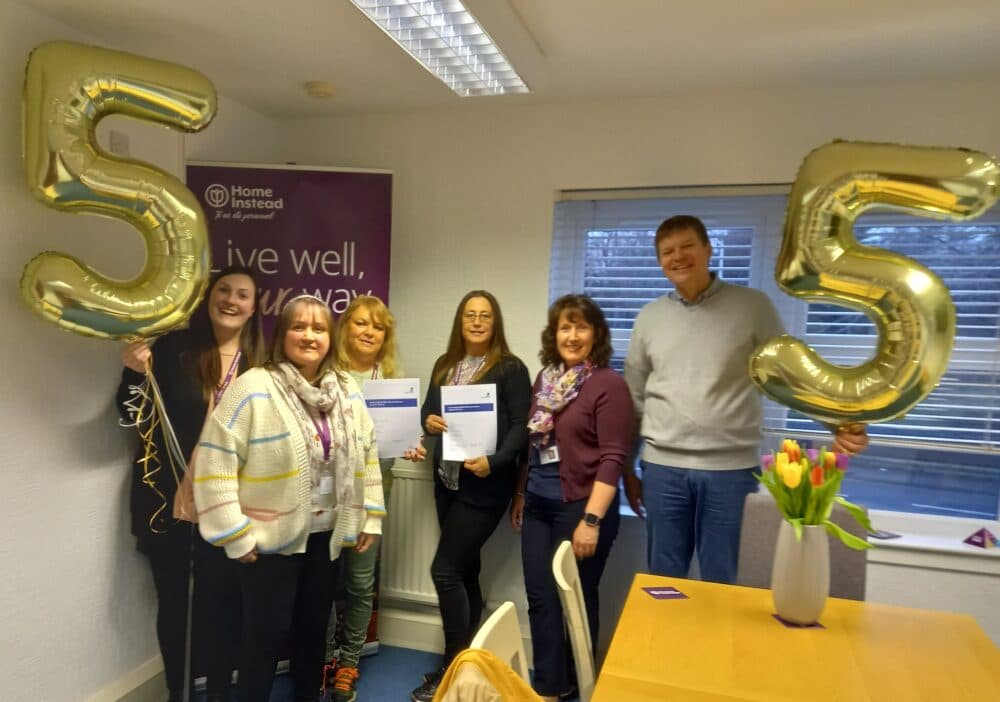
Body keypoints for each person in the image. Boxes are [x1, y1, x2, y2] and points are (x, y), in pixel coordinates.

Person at [623, 214, 869, 584]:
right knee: (664, 578)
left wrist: (838, 422)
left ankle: (718, 645)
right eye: (667, 251)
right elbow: (634, 394)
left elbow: (791, 372)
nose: (678, 257)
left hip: (730, 472)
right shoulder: (649, 317)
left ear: (708, 249)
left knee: (722, 578)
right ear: (660, 261)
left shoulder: (753, 307)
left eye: (687, 246)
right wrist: (628, 466)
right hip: (663, 469)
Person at [192, 294, 384, 702]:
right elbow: (215, 465)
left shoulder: (346, 390)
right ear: (282, 334)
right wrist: (235, 533)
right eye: (300, 326)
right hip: (268, 543)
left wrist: (369, 516)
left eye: (319, 328)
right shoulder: (253, 386)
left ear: (330, 338)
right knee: (263, 640)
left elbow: (366, 451)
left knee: (313, 634)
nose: (310, 336)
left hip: (325, 536)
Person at [117, 265, 264, 702]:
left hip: (233, 509)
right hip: (169, 503)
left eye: (243, 295)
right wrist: (132, 373)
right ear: (208, 296)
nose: (232, 301)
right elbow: (128, 417)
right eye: (224, 290)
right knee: (175, 605)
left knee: (223, 608)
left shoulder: (263, 365)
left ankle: (218, 692)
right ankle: (177, 692)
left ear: (255, 307)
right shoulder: (174, 349)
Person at [511, 294, 634, 702]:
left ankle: (583, 685)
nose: (573, 335)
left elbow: (614, 456)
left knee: (576, 601)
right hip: (538, 504)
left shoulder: (607, 385)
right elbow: (534, 444)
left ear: (596, 334)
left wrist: (592, 521)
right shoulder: (544, 381)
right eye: (565, 326)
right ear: (554, 334)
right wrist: (520, 494)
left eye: (581, 327)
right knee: (540, 597)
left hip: (581, 507)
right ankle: (549, 687)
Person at [412, 290, 532, 702]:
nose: (477, 322)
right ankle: (471, 666)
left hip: (486, 484)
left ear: (495, 322)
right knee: (463, 572)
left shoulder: (511, 368)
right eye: (469, 315)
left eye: (485, 315)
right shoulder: (445, 365)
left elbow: (521, 426)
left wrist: (495, 462)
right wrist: (427, 420)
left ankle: (451, 667)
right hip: (447, 482)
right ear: (460, 322)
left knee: (444, 571)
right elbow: (429, 415)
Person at [325, 295, 425, 702]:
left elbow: (400, 440)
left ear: (386, 336)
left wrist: (410, 445)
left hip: (372, 495)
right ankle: (323, 653)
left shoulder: (392, 382)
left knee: (361, 581)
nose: (369, 332)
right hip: (325, 496)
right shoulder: (325, 375)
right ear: (346, 327)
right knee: (323, 580)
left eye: (378, 326)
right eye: (361, 323)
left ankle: (348, 661)